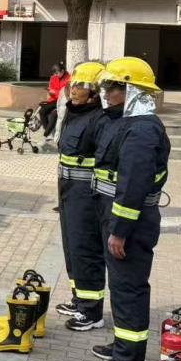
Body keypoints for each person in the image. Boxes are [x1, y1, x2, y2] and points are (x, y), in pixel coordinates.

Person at [88, 57, 169, 361]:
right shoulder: (126, 122)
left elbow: (133, 184)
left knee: (129, 287)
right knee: (121, 286)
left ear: (132, 90)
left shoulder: (141, 130)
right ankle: (124, 345)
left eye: (113, 87)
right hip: (119, 217)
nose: (106, 93)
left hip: (130, 224)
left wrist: (119, 231)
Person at [54, 61, 107, 329]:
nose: (73, 90)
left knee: (86, 248)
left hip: (86, 195)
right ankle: (79, 299)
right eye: (73, 85)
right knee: (72, 247)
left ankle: (91, 311)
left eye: (81, 86)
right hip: (68, 190)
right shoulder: (74, 113)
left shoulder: (99, 119)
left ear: (94, 92)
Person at [38, 63, 71, 136]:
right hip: (53, 100)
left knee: (54, 114)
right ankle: (47, 130)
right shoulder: (53, 78)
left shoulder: (69, 78)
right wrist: (50, 91)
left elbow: (66, 93)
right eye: (54, 73)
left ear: (62, 71)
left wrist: (55, 92)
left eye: (56, 73)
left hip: (63, 101)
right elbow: (51, 88)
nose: (55, 75)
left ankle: (47, 133)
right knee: (42, 111)